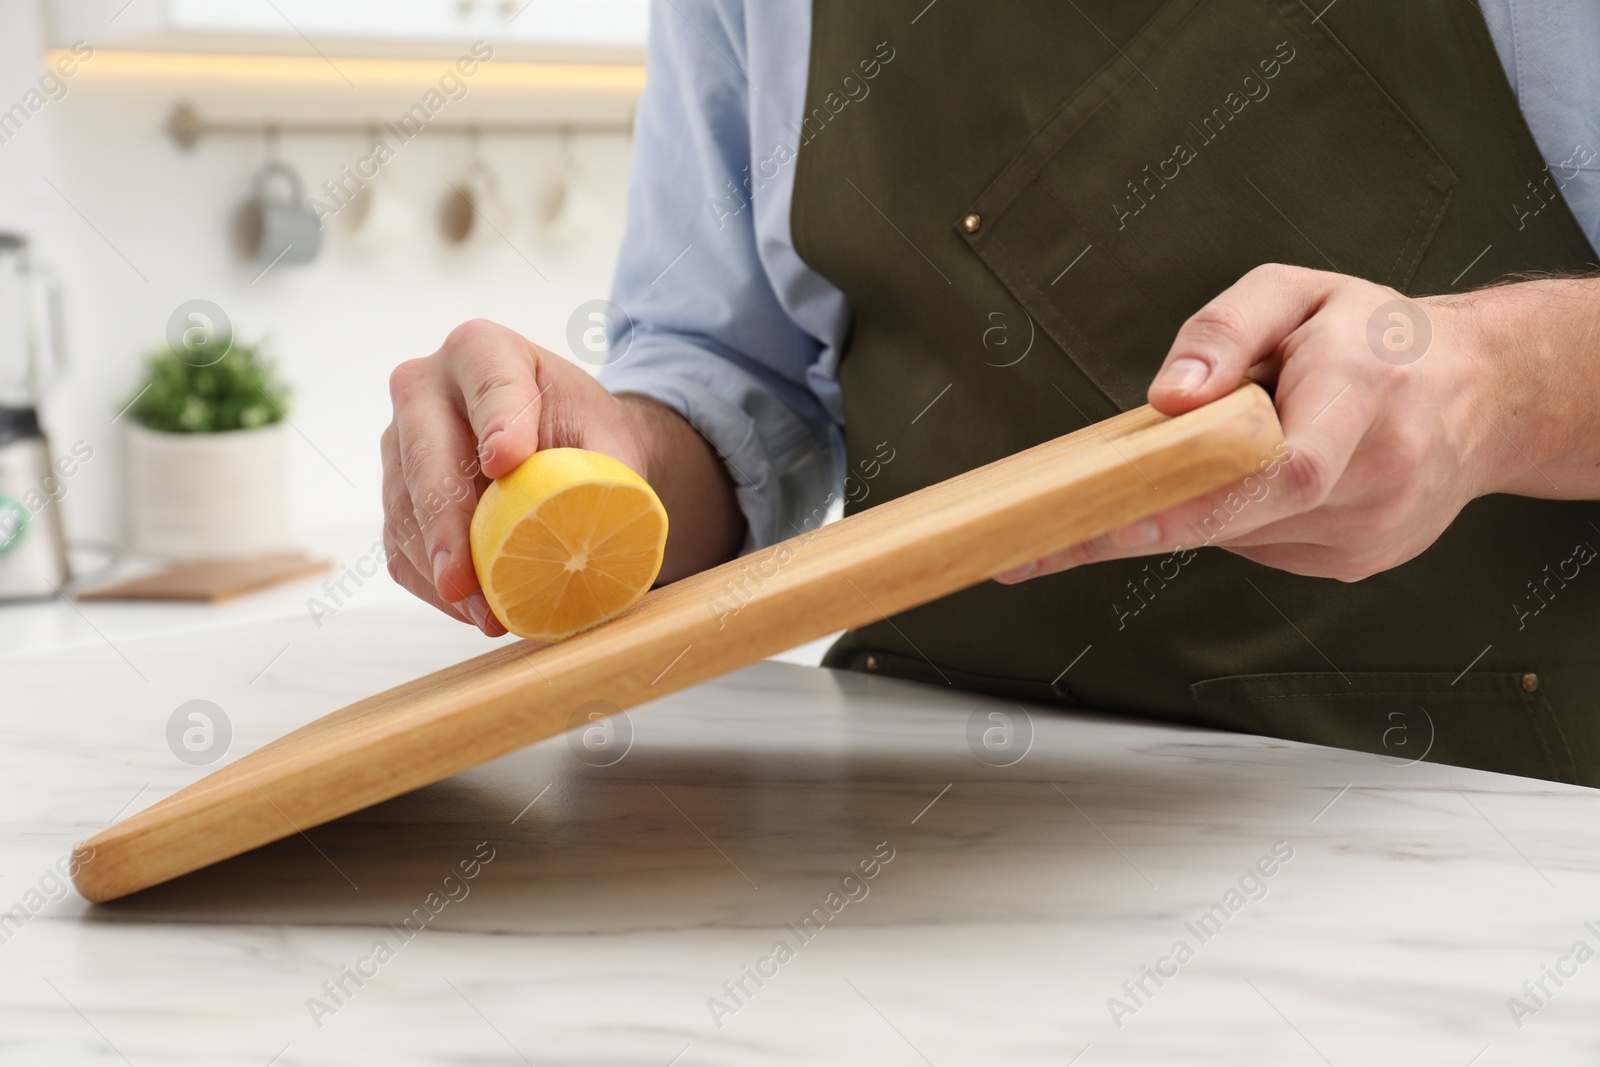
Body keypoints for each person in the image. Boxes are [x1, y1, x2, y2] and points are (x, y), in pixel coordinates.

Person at [383, 0, 1600, 785]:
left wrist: (1498, 380)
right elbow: (734, 375)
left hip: (1479, 837)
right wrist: (603, 462)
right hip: (910, 832)